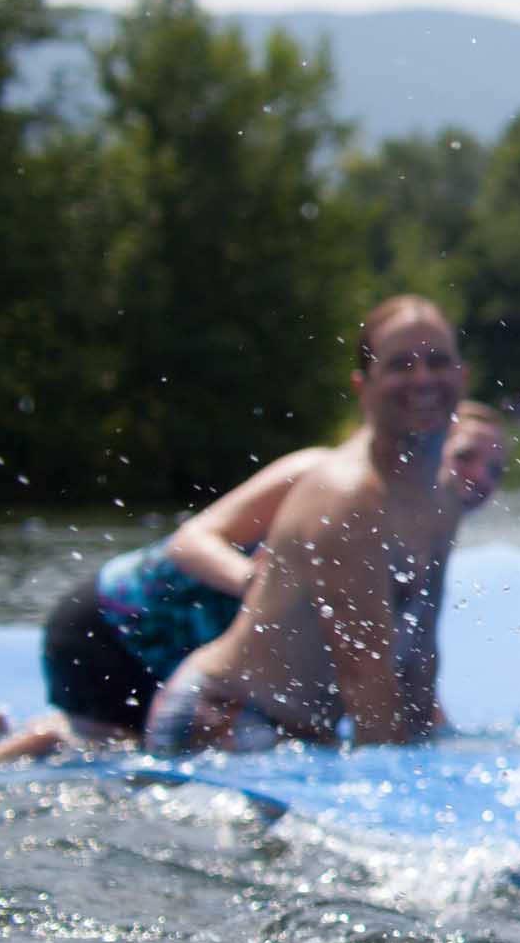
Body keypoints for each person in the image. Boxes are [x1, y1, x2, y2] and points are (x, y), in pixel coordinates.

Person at [0, 400, 516, 770]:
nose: (480, 478)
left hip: (201, 657)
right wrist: (258, 584)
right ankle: (4, 762)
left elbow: (386, 652)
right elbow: (191, 540)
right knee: (116, 752)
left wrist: (443, 742)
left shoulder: (421, 532)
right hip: (120, 625)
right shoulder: (327, 476)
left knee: (147, 758)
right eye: (466, 455)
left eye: (496, 470)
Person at [142, 297, 477, 755]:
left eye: (437, 361)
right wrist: (404, 779)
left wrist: (430, 745)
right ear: (363, 386)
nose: (423, 378)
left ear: (463, 376)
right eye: (401, 365)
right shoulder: (352, 498)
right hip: (224, 712)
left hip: (302, 731)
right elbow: (365, 676)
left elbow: (421, 652)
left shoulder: (442, 495)